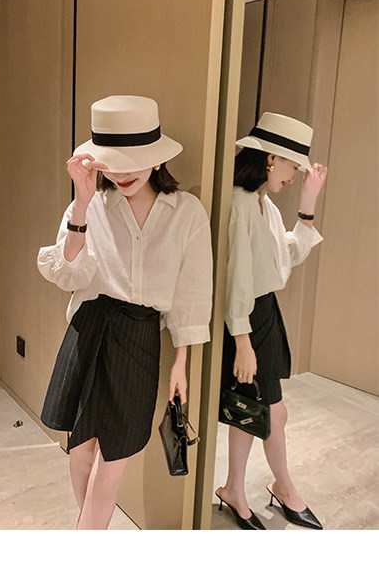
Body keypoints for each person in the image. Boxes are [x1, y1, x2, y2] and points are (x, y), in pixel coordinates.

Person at [38, 91, 213, 531]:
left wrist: (181, 362)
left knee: (115, 457)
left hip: (139, 337)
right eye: (111, 163)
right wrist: (81, 204)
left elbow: (192, 293)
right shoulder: (90, 207)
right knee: (81, 448)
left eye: (134, 160)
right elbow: (68, 273)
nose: (121, 173)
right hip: (90, 328)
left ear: (157, 157)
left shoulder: (186, 213)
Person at [217, 109, 328, 529]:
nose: (295, 175)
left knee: (256, 410)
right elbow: (238, 278)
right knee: (269, 411)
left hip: (262, 313)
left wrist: (308, 205)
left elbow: (284, 258)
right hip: (247, 317)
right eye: (293, 166)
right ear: (270, 158)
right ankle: (281, 487)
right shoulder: (241, 204)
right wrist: (242, 341)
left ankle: (239, 488)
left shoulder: (262, 204)